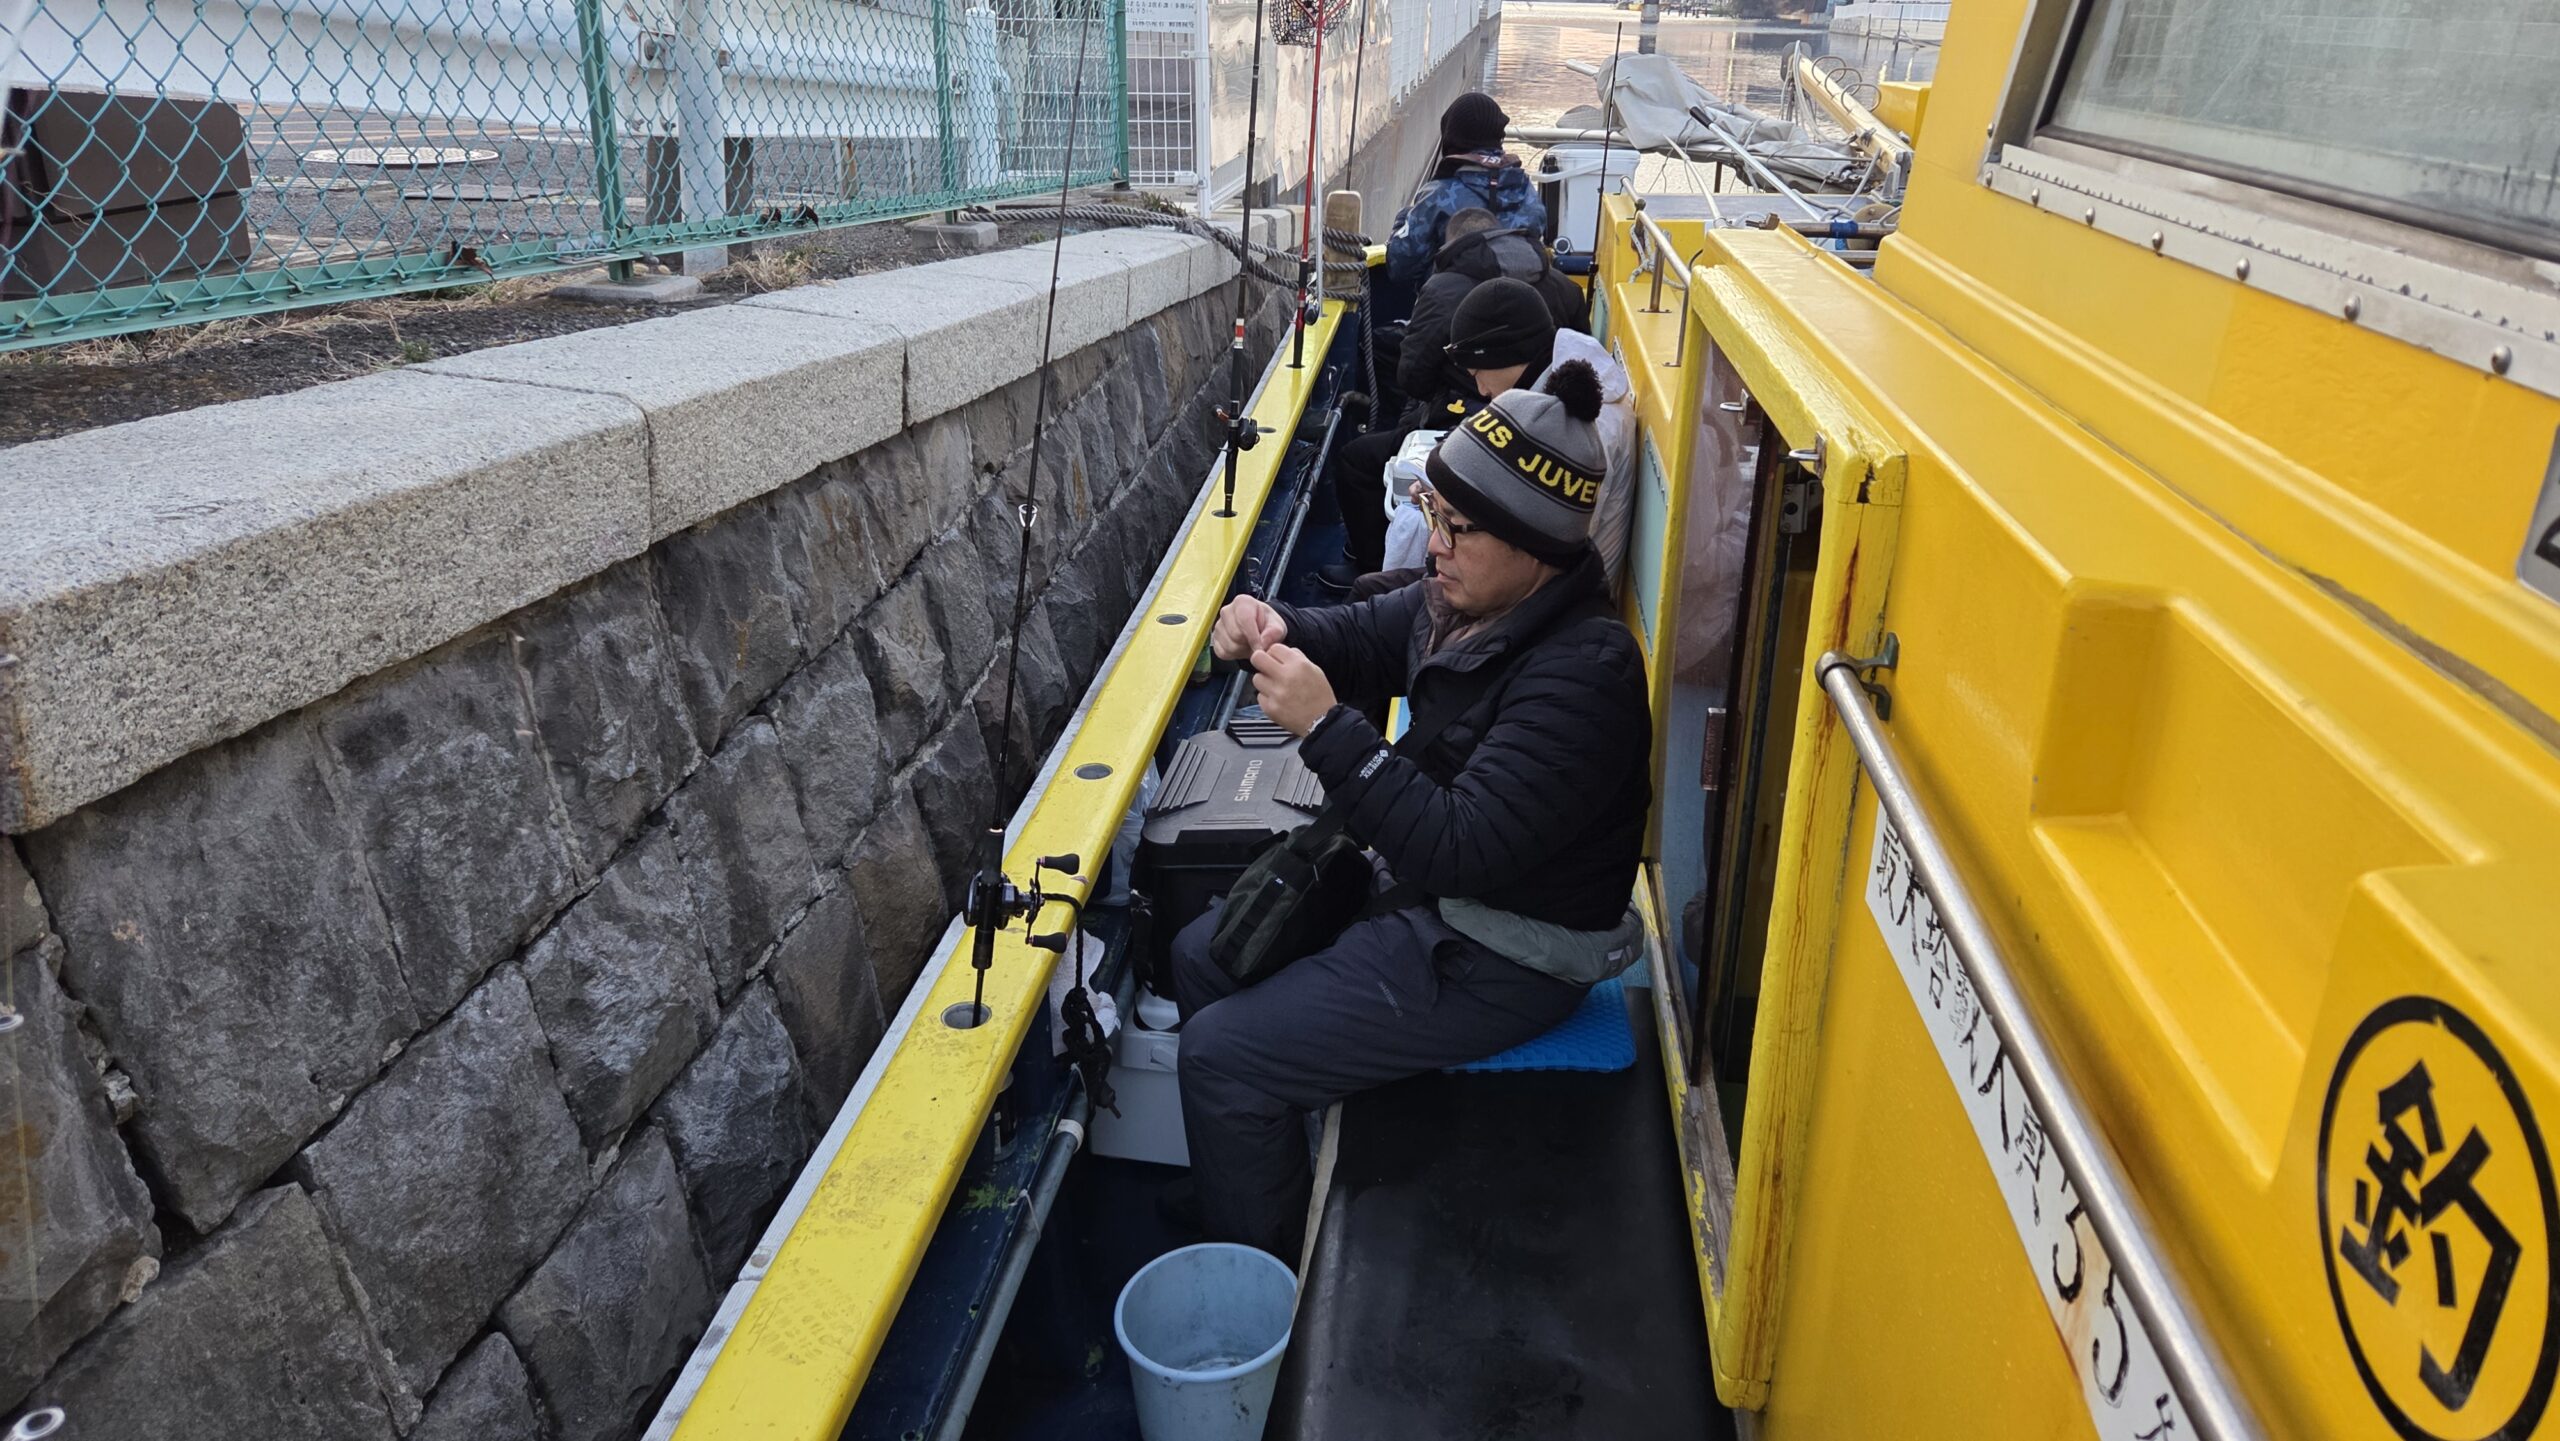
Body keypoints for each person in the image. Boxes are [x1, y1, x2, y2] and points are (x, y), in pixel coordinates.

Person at [1172, 359, 1652, 1259]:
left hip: (1505, 950)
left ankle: (1268, 1273)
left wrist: (1326, 727)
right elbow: (1357, 636)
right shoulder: (1465, 601)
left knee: (1219, 1058)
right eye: (1432, 510)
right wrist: (1272, 626)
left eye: (1456, 526)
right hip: (1432, 895)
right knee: (1203, 956)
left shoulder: (1587, 675)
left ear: (1536, 546)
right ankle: (1260, 1161)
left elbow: (1458, 849)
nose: (1434, 544)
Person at [1321, 276, 1560, 588]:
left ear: (1503, 355)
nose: (1482, 390)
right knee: (1372, 591)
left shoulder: (1548, 427)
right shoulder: (1542, 402)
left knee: (1372, 590)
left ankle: (1369, 566)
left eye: (1477, 373)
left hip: (1501, 591)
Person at [1399, 210, 1588, 417]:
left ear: (1453, 244)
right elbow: (1579, 356)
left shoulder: (1441, 290)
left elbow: (1412, 376)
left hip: (1469, 410)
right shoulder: (1566, 286)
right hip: (1553, 408)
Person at [1385, 92, 1548, 287]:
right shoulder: (1526, 191)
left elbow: (1400, 267)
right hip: (1521, 301)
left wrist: (1403, 219)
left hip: (1451, 303)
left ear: (1452, 138)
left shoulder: (1438, 195)